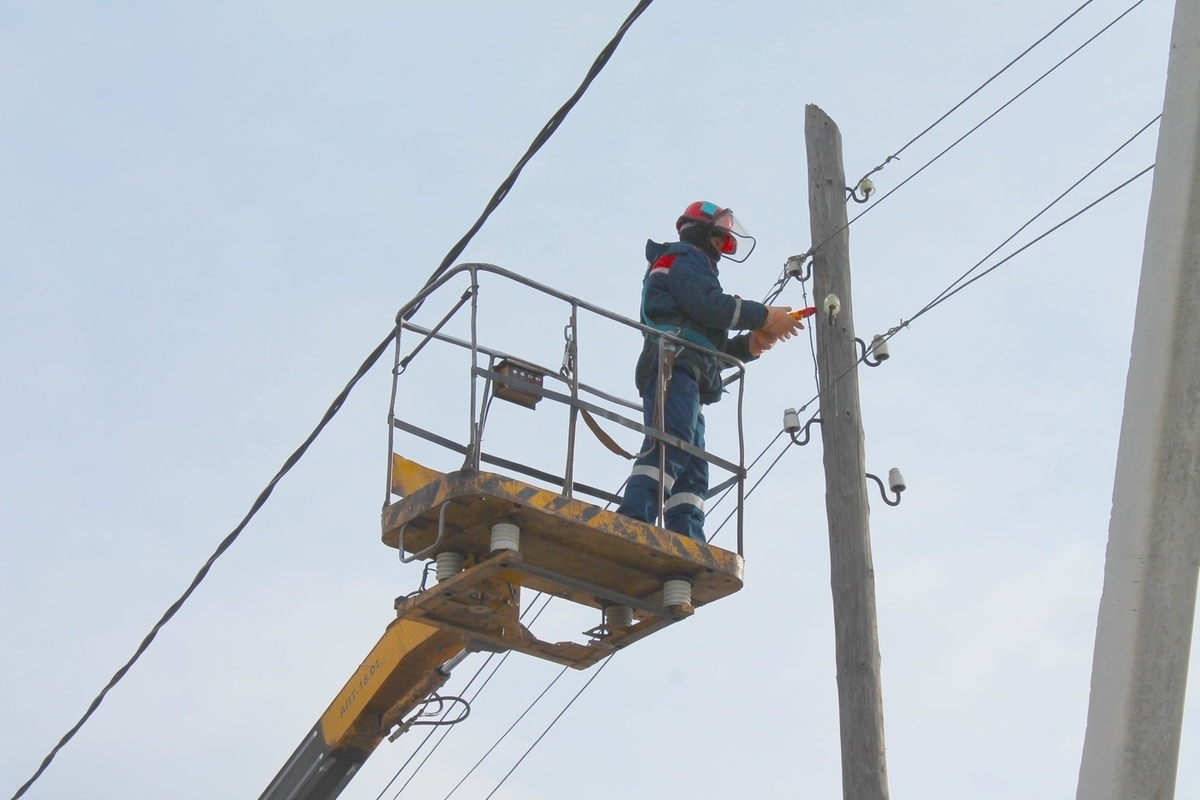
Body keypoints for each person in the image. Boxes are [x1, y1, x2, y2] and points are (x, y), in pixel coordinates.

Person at [615, 201, 801, 542]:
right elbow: (710, 305)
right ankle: (633, 521)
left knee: (693, 465)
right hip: (674, 366)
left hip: (689, 371)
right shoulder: (684, 258)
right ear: (700, 231)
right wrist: (764, 316)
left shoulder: (688, 267)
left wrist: (752, 345)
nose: (719, 248)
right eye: (718, 239)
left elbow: (708, 344)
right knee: (672, 442)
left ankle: (686, 539)